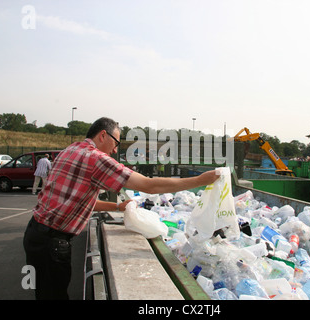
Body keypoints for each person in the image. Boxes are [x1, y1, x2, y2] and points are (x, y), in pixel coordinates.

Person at [23, 117, 219, 300]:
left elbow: (77, 202)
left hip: (35, 234)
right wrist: (200, 180)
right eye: (116, 143)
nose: (115, 150)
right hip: (53, 244)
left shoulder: (70, 151)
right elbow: (148, 185)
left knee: (43, 293)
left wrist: (118, 206)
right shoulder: (96, 159)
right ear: (102, 135)